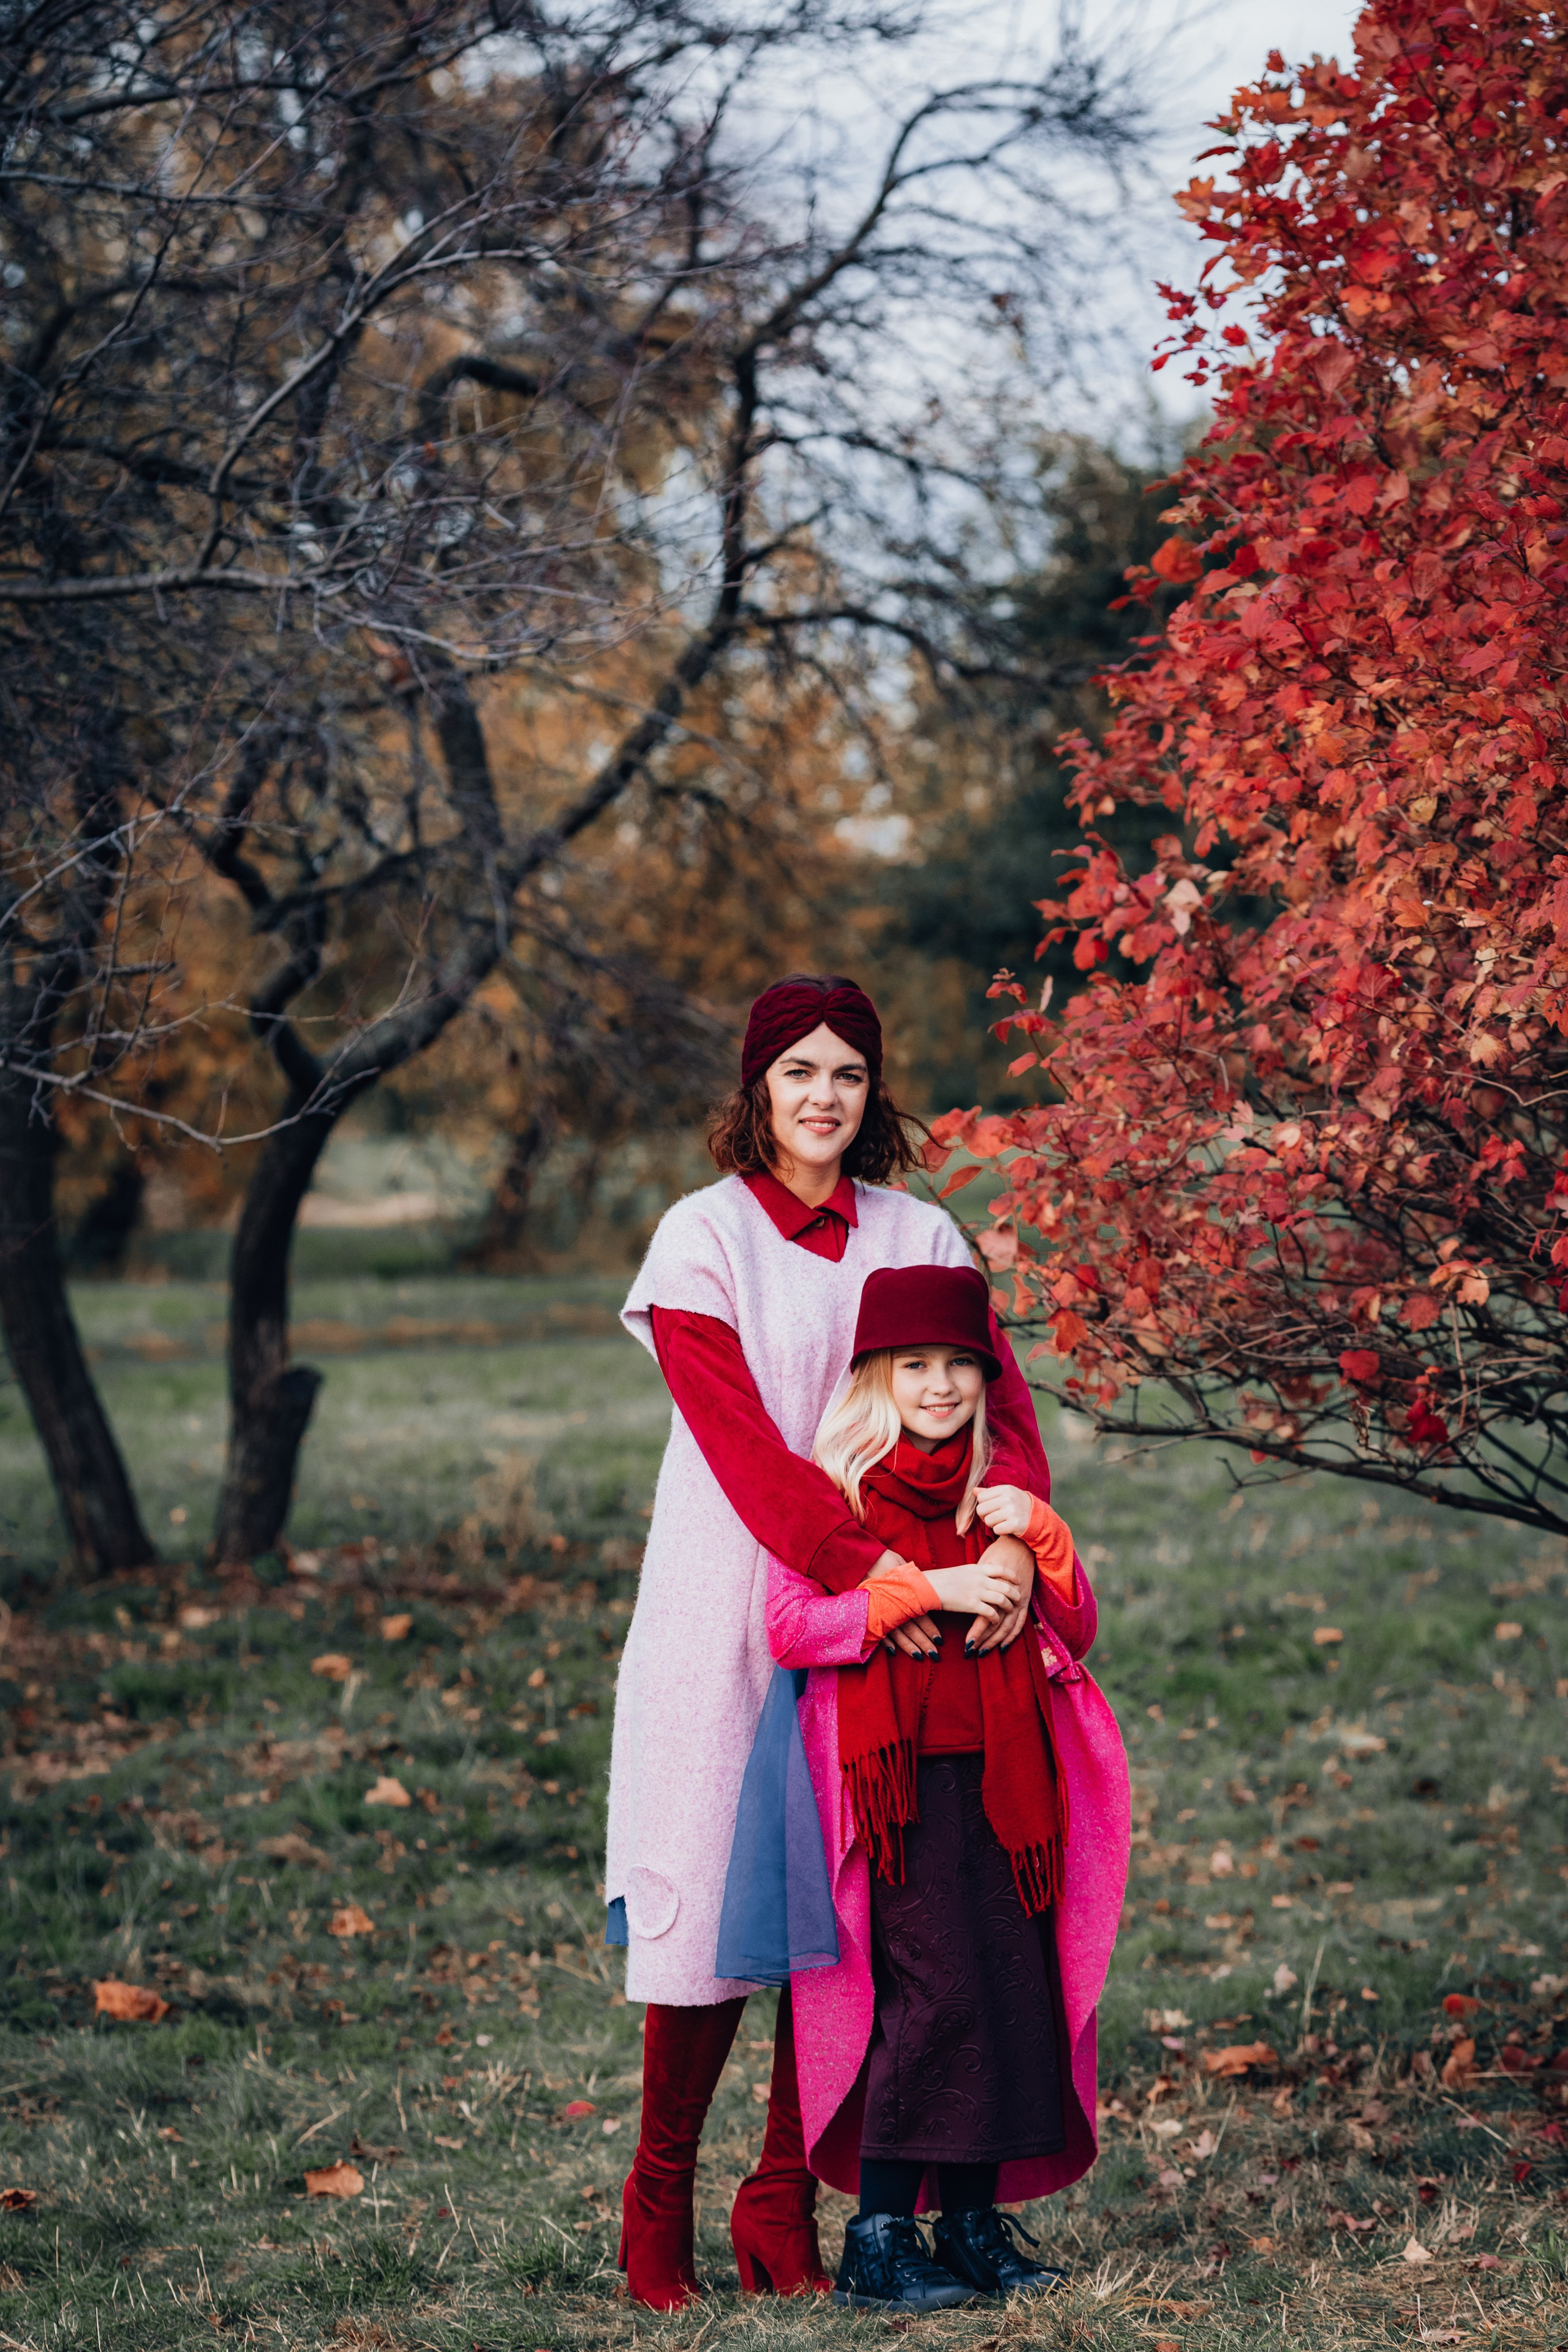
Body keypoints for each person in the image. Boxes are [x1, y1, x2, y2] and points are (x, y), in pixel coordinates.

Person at [606, 973, 1052, 2310]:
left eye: (846, 1073)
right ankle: (658, 2195)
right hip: (738, 1591)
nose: (821, 1096)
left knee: (859, 1900)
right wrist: (881, 1577)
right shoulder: (702, 1238)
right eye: (795, 1071)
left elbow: (1001, 1414)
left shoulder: (920, 1230)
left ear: (874, 1092)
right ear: (755, 1090)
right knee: (709, 1896)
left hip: (910, 1619)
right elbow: (745, 1449)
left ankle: (783, 2200)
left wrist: (1012, 1546)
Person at [762, 1262, 1131, 2310]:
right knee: (930, 1998)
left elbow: (1079, 1628)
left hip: (1012, 1790)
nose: (938, 1386)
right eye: (913, 1366)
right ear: (875, 1376)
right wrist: (913, 1592)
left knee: (1013, 1992)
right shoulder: (836, 1498)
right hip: (890, 1797)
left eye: (959, 1367)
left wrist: (1042, 1541)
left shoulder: (1001, 1498)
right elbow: (790, 1628)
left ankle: (971, 2228)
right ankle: (879, 2240)